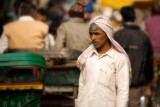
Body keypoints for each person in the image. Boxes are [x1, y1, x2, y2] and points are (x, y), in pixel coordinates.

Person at [75, 15, 131, 107]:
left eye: (97, 34)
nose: (93, 38)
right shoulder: (87, 57)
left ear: (107, 34)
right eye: (91, 34)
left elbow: (122, 92)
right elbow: (82, 85)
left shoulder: (119, 59)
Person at [114, 6, 154, 107]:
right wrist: (148, 84)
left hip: (119, 83)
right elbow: (149, 61)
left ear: (122, 18)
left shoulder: (117, 35)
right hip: (137, 83)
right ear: (134, 18)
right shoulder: (144, 36)